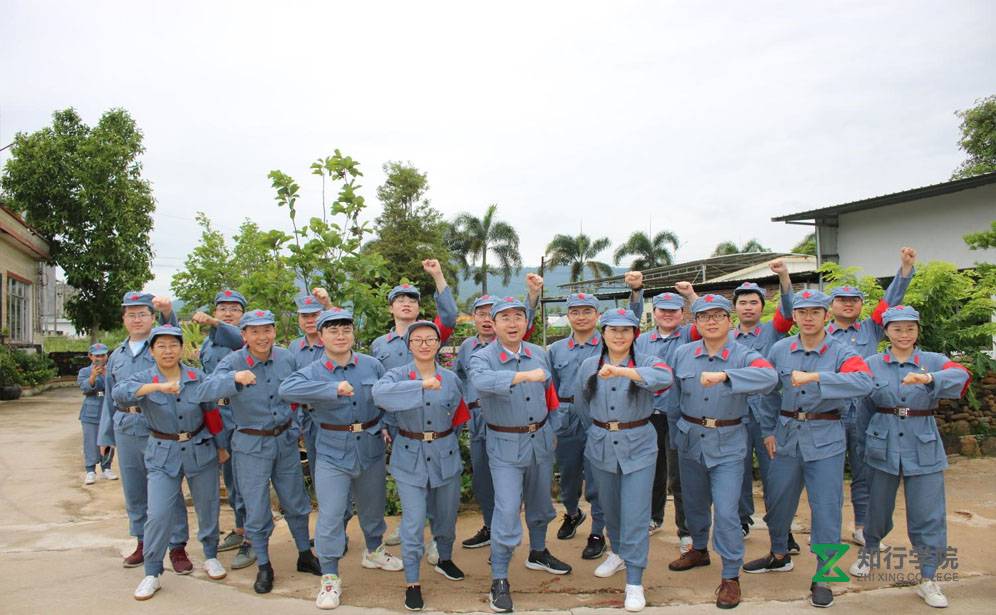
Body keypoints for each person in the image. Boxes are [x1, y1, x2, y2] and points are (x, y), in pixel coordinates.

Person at [742, 289, 874, 608]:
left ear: (826, 316)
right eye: (802, 312)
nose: (809, 318)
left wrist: (818, 377)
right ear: (795, 317)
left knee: (826, 508)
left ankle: (825, 575)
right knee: (778, 501)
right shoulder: (780, 349)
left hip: (825, 436)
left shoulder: (841, 351)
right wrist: (769, 429)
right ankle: (778, 554)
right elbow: (767, 390)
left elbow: (865, 381)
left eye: (816, 312)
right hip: (786, 435)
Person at [279, 307, 403, 610]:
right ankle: (330, 576)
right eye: (333, 331)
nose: (340, 336)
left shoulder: (371, 365)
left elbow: (387, 397)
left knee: (373, 507)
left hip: (370, 446)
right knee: (332, 515)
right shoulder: (313, 371)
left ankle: (374, 551)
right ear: (321, 336)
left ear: (353, 334)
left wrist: (386, 424)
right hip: (332, 450)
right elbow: (286, 390)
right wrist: (331, 388)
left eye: (346, 330)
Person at [849, 305, 971, 608]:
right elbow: (863, 409)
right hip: (881, 443)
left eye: (910, 329)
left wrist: (928, 379)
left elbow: (961, 376)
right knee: (877, 507)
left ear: (917, 331)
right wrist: (862, 448)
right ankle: (870, 549)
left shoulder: (934, 361)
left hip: (923, 443)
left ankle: (928, 577)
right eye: (897, 329)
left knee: (928, 514)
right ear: (886, 332)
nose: (904, 334)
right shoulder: (872, 363)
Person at [196, 309, 321, 594]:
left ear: (274, 331)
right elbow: (203, 391)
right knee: (256, 506)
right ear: (244, 335)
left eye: (267, 330)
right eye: (254, 331)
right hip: (251, 444)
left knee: (296, 500)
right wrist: (234, 379)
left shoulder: (286, 358)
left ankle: (304, 554)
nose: (262, 337)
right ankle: (264, 565)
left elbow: (299, 391)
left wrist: (295, 425)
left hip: (285, 441)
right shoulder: (233, 361)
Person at [666, 294, 778, 609]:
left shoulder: (744, 354)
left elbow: (770, 378)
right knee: (693, 502)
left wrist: (727, 375)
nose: (711, 322)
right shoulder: (683, 353)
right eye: (704, 316)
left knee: (727, 511)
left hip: (728, 440)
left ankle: (730, 575)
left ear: (730, 321)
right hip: (690, 438)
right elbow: (673, 400)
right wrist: (676, 437)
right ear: (696, 322)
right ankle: (699, 549)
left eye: (718, 315)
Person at [469, 296, 572, 613]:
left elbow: (551, 394)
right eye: (505, 318)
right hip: (504, 442)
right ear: (494, 323)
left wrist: (553, 428)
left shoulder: (538, 353)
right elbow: (481, 382)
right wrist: (521, 376)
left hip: (540, 439)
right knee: (507, 508)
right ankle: (499, 577)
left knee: (541, 502)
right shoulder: (483, 357)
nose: (512, 323)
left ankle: (538, 552)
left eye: (518, 317)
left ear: (526, 323)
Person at [112, 325, 229, 600]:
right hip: (162, 453)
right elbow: (119, 393)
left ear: (181, 348)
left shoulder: (196, 377)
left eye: (173, 345)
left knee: (208, 506)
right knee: (158, 513)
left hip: (199, 448)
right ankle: (152, 572)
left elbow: (211, 412)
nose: (168, 351)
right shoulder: (143, 378)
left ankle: (210, 555)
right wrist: (157, 387)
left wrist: (221, 446)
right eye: (161, 346)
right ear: (151, 351)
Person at [572, 308, 674, 611]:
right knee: (610, 508)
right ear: (603, 333)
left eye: (626, 330)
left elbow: (664, 378)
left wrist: (624, 372)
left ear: (634, 334)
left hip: (638, 445)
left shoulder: (648, 361)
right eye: (613, 330)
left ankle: (634, 581)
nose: (619, 335)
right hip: (602, 444)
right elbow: (581, 404)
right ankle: (616, 552)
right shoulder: (589, 365)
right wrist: (597, 431)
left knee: (636, 513)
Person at [373, 320, 471, 610]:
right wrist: (420, 385)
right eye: (418, 340)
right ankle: (412, 582)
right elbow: (380, 395)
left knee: (446, 516)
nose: (425, 344)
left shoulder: (451, 379)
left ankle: (444, 558)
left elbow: (458, 418)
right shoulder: (396, 375)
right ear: (409, 345)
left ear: (439, 344)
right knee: (413, 522)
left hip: (444, 453)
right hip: (409, 455)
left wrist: (443, 439)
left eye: (430, 339)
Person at [548, 272, 645, 560]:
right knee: (568, 476)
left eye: (587, 311)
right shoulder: (555, 350)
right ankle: (572, 512)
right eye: (575, 312)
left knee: (598, 478)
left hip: (601, 416)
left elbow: (631, 321)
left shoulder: (609, 345)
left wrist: (636, 292)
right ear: (568, 316)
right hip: (567, 417)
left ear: (597, 315)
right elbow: (550, 389)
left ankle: (597, 531)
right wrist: (552, 424)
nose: (581, 317)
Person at [826, 247, 916, 546]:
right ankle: (826, 530)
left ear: (861, 305)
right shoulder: (820, 334)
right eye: (842, 299)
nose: (848, 304)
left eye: (854, 300)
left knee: (865, 472)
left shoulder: (871, 329)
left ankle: (862, 526)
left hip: (865, 411)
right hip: (830, 412)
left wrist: (904, 269)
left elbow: (891, 301)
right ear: (831, 305)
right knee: (827, 475)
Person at [96, 291, 190, 572]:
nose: (137, 319)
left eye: (142, 314)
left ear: (152, 317)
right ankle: (142, 541)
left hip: (157, 428)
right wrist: (105, 436)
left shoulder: (160, 348)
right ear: (123, 319)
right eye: (131, 314)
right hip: (126, 427)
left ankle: (177, 546)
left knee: (168, 488)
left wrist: (168, 313)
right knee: (134, 489)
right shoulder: (117, 356)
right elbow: (110, 396)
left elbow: (173, 331)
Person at [372, 259, 458, 555]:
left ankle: (436, 538)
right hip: (399, 423)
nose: (406, 303)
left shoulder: (431, 333)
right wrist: (383, 423)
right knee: (408, 477)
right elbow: (378, 387)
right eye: (400, 299)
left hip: (432, 419)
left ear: (419, 308)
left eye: (412, 299)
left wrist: (438, 275)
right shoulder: (380, 344)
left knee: (437, 479)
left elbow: (450, 315)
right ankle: (411, 524)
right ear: (391, 308)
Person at [729, 260, 796, 548]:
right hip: (734, 414)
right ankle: (741, 520)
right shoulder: (726, 337)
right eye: (742, 302)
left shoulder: (773, 331)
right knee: (737, 470)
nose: (748, 308)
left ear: (762, 306)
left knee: (774, 474)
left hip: (768, 415)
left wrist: (784, 277)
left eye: (753, 302)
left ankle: (781, 529)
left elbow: (789, 311)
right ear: (735, 308)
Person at [633, 281, 698, 553]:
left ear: (682, 313)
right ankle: (652, 517)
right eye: (663, 310)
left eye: (674, 310)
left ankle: (686, 530)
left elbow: (705, 315)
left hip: (679, 414)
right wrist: (636, 292)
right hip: (649, 414)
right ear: (655, 312)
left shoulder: (690, 336)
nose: (668, 314)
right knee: (652, 470)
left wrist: (691, 295)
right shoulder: (642, 340)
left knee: (679, 475)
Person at [192, 289, 253, 564]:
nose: (228, 313)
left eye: (234, 309)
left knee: (244, 477)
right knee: (229, 477)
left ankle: (252, 535)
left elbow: (235, 337)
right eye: (222, 309)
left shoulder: (245, 337)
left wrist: (214, 322)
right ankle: (240, 528)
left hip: (238, 412)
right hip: (216, 413)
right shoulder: (210, 342)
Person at [78, 343, 116, 485]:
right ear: (90, 356)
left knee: (108, 441)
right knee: (90, 442)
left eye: (103, 355)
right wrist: (93, 376)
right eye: (97, 356)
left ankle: (106, 467)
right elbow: (84, 388)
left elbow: (116, 387)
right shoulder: (84, 371)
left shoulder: (112, 370)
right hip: (91, 412)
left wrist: (106, 374)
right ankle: (90, 470)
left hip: (108, 410)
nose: (100, 358)